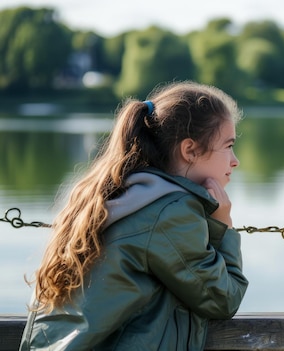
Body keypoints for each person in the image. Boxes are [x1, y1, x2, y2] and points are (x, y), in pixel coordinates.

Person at [20, 81, 249, 350]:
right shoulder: (169, 213)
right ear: (190, 150)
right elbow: (222, 299)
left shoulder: (122, 194)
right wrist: (224, 227)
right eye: (229, 145)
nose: (235, 161)